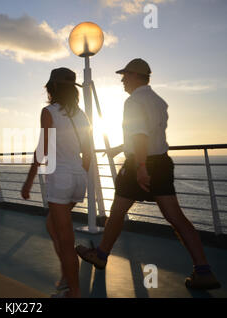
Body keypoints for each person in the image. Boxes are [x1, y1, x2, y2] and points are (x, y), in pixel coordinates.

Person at [75, 58, 221, 290]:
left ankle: (100, 256)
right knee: (176, 218)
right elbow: (150, 135)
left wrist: (141, 167)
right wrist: (121, 148)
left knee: (117, 212)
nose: (122, 80)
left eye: (125, 76)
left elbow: (141, 137)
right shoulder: (159, 101)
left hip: (139, 165)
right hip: (161, 163)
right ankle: (203, 270)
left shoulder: (132, 102)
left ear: (135, 75)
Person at [21, 67, 92, 298]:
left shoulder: (48, 111)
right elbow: (88, 152)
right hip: (79, 177)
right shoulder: (82, 115)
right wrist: (79, 174)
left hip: (60, 178)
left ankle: (74, 291)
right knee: (52, 226)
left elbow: (42, 149)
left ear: (52, 87)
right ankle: (66, 275)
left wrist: (28, 182)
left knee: (65, 237)